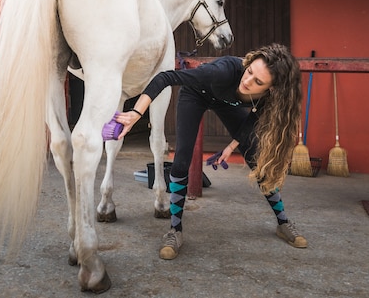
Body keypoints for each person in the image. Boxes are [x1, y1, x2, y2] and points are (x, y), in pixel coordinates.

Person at [116, 42, 306, 260]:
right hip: (197, 94)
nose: (247, 81)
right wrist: (136, 113)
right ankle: (174, 231)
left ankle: (283, 222)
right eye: (249, 71)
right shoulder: (224, 71)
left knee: (256, 157)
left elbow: (252, 119)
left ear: (270, 89)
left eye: (257, 82)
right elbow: (165, 78)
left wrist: (231, 147)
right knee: (181, 160)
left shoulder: (268, 97)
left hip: (226, 102)